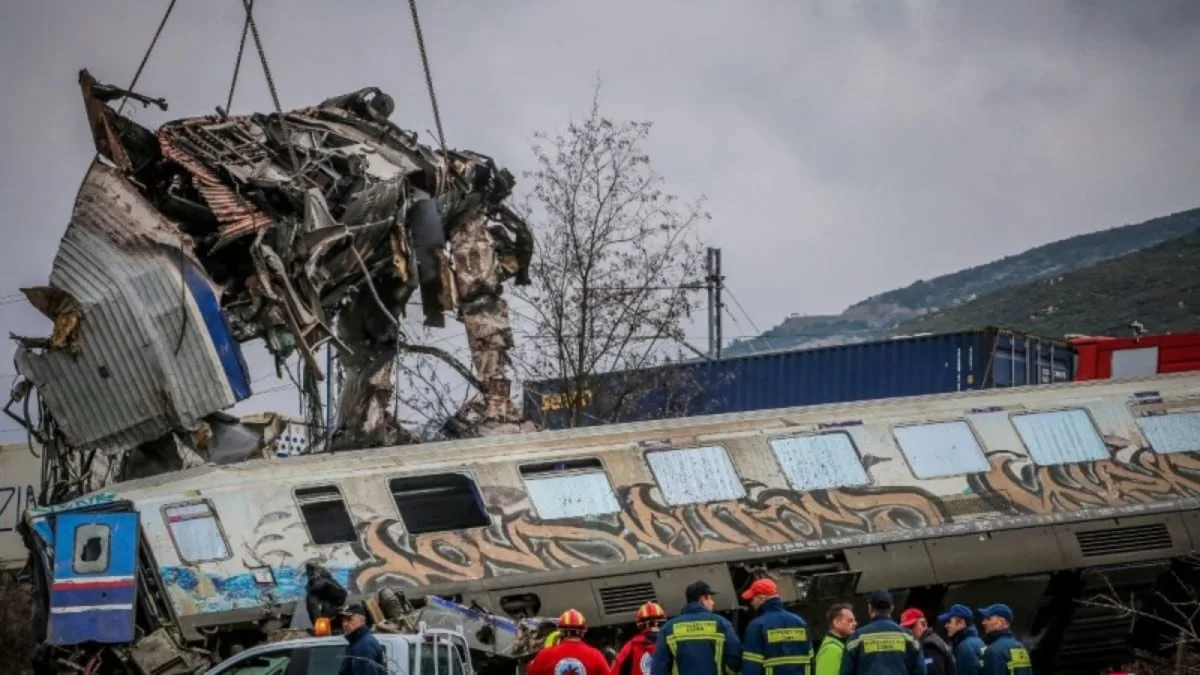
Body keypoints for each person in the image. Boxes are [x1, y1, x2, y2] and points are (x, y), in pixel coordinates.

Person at [651, 581, 742, 675]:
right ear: (703, 599)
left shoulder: (668, 628)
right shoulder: (722, 624)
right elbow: (734, 658)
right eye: (710, 599)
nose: (713, 603)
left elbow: (659, 667)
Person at [840, 590, 926, 674]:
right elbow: (921, 671)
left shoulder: (856, 638)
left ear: (869, 608)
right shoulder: (909, 637)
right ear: (892, 608)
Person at [741, 578, 813, 675]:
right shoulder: (799, 622)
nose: (752, 602)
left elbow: (751, 665)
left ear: (762, 598)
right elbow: (811, 658)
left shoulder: (756, 625)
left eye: (753, 598)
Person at [528, 609, 612, 675]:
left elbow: (531, 671)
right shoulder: (596, 656)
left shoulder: (544, 655)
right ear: (582, 632)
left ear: (560, 631)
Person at [613, 602, 668, 675]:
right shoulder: (670, 642)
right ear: (663, 622)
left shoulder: (631, 646)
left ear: (639, 624)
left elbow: (616, 670)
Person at [977, 605, 1032, 675]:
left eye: (988, 618)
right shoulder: (1020, 647)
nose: (983, 622)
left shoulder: (993, 650)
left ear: (1000, 622)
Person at [899, 609, 954, 675]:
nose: (908, 630)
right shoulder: (915, 644)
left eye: (911, 626)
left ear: (924, 624)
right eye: (905, 628)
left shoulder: (930, 646)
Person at [338, 603, 386, 675]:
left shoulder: (363, 647)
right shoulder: (359, 642)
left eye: (349, 619)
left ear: (362, 621)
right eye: (343, 620)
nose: (345, 624)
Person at [938, 605, 985, 675]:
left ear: (961, 623)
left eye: (949, 622)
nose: (946, 625)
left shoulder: (964, 647)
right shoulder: (979, 641)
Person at [815, 603, 857, 675]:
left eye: (854, 620)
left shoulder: (837, 646)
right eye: (850, 620)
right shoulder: (831, 649)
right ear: (836, 622)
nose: (855, 623)